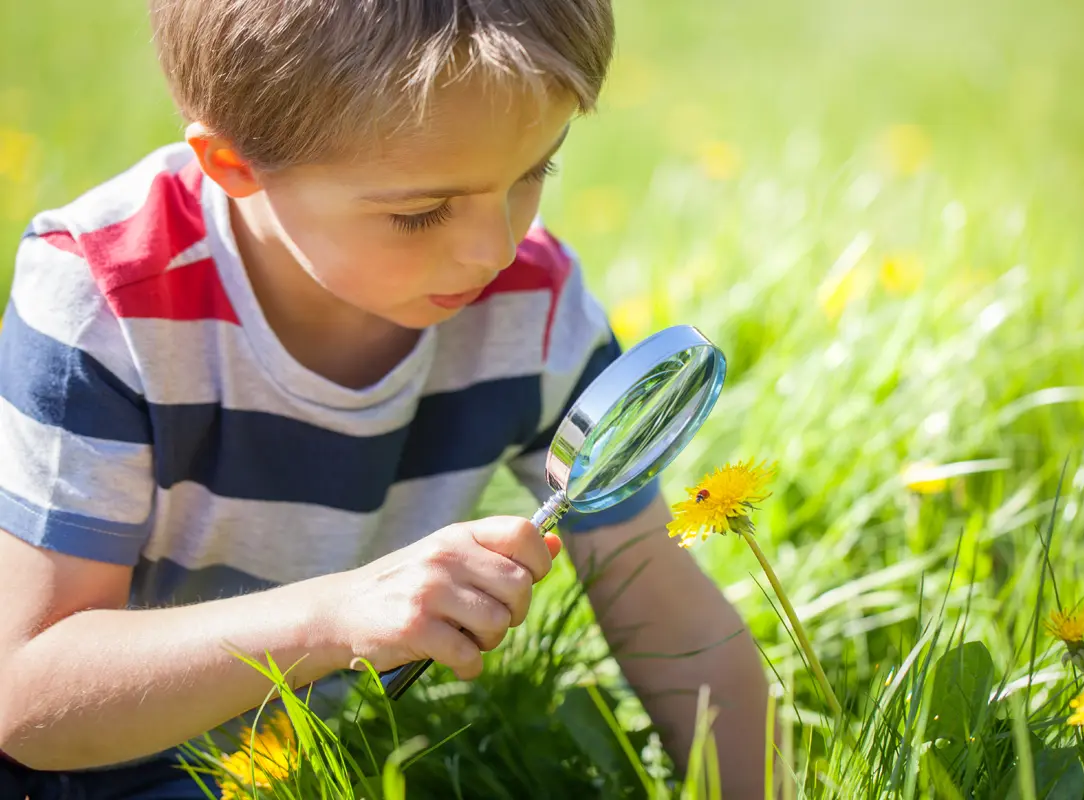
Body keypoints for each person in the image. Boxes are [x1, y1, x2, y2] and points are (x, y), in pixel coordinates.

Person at [0, 0, 769, 797]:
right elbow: (28, 698)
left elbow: (665, 608)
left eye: (535, 171)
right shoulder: (110, 301)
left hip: (288, 771)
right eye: (420, 212)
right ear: (233, 163)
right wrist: (333, 619)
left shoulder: (530, 306)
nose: (495, 249)